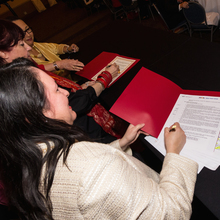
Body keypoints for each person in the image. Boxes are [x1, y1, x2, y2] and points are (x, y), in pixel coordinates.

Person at [0, 57, 198, 220]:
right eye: (56, 90)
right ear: (33, 114)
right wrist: (173, 153)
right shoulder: (93, 170)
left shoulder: (23, 162)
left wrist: (121, 144)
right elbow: (173, 213)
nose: (67, 92)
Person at [0, 19, 126, 143]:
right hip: (84, 133)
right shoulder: (22, 82)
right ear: (3, 53)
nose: (27, 47)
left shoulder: (20, 72)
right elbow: (72, 104)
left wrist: (81, 87)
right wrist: (103, 80)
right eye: (21, 44)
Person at [9, 16, 84, 80]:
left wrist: (68, 49)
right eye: (22, 33)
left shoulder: (36, 45)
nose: (28, 35)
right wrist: (64, 70)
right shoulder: (21, 62)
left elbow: (56, 48)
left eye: (28, 29)